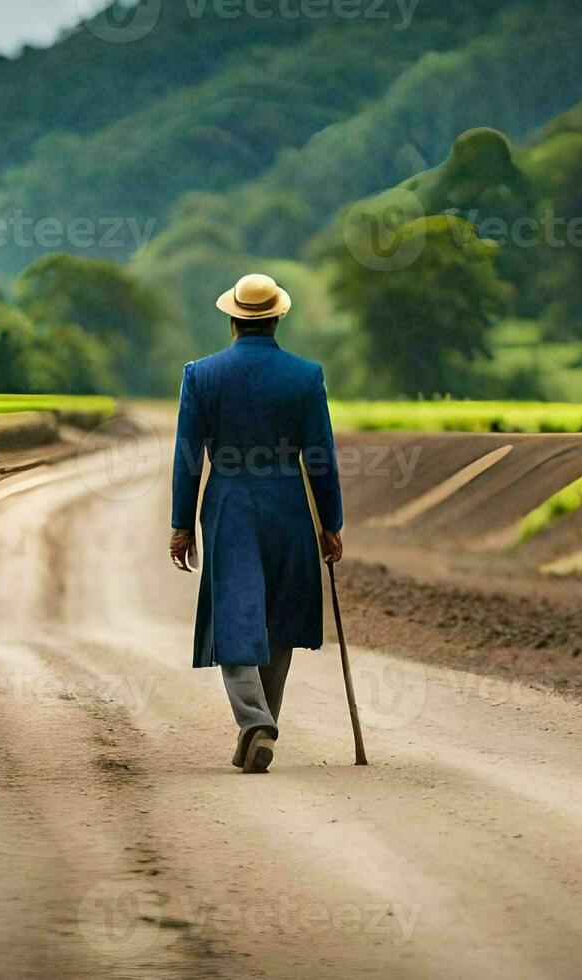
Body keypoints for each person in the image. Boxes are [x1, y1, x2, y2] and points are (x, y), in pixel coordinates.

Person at [169, 273, 343, 774]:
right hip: (288, 503)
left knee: (235, 613)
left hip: (229, 502)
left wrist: (182, 523)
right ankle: (261, 723)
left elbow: (188, 458)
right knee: (281, 616)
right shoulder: (305, 376)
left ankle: (254, 722)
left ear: (233, 322)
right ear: (276, 319)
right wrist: (331, 522)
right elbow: (322, 458)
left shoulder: (201, 375)